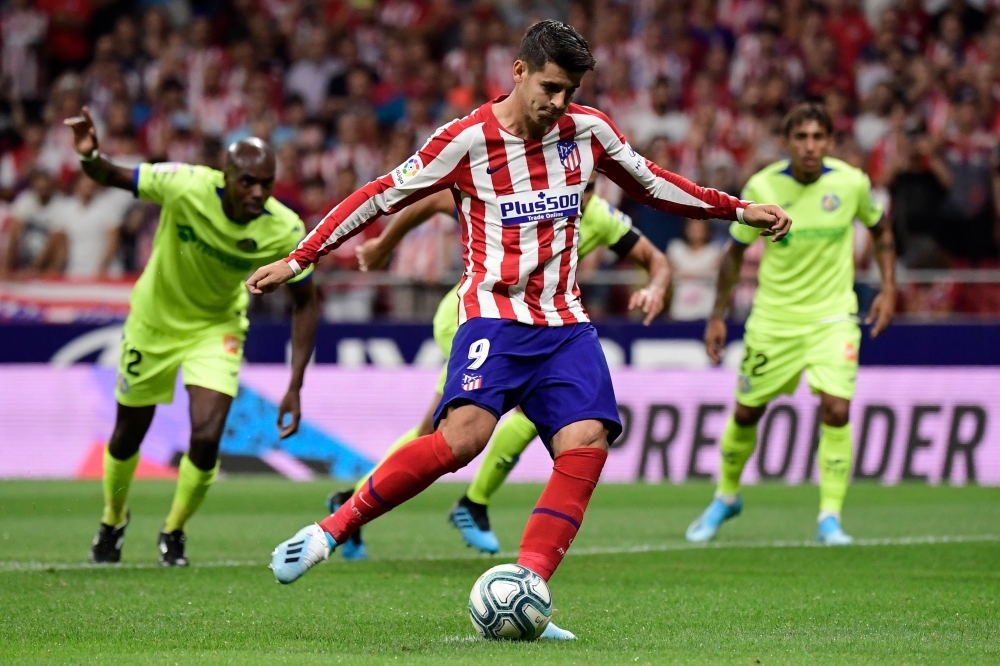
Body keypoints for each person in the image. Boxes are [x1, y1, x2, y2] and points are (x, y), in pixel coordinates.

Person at [249, 21, 789, 638]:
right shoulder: (466, 142)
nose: (558, 103)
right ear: (519, 71)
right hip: (493, 318)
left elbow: (655, 184)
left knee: (586, 440)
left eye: (570, 90)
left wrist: (736, 209)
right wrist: (301, 257)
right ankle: (330, 531)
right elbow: (380, 196)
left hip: (564, 323)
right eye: (551, 87)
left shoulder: (589, 132)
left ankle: (528, 587)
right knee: (461, 440)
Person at [325, 172, 671, 560]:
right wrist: (384, 243)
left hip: (526, 330)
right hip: (473, 321)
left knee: (434, 434)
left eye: (588, 188)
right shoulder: (524, 200)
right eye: (577, 185)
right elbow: (436, 199)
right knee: (504, 419)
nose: (579, 193)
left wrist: (655, 286)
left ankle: (353, 503)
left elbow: (655, 259)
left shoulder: (600, 217)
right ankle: (471, 503)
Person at [64, 107, 320, 567]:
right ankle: (113, 519)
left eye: (267, 183)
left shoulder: (285, 227)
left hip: (216, 327)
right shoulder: (184, 184)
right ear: (225, 175)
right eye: (248, 182)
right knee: (127, 436)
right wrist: (89, 154)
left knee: (206, 437)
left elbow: (307, 302)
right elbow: (112, 174)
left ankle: (174, 531)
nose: (258, 192)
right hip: (154, 322)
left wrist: (295, 384)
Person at [685, 103, 897, 546]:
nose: (810, 146)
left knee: (836, 409)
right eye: (801, 138)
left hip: (833, 319)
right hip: (773, 321)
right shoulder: (763, 187)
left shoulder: (851, 184)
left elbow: (881, 232)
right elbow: (734, 254)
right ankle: (726, 497)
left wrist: (890, 288)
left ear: (831, 143)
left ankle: (830, 519)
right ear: (786, 143)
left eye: (819, 137)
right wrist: (717, 317)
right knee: (747, 412)